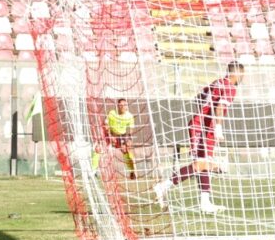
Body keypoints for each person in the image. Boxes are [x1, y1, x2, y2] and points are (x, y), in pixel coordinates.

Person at [154, 62, 245, 213]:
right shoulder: (230, 87)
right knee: (200, 165)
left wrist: (203, 114)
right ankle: (163, 186)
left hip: (202, 126)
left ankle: (205, 202)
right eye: (242, 75)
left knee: (204, 164)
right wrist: (218, 127)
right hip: (204, 128)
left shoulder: (217, 82)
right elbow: (220, 107)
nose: (242, 78)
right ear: (237, 74)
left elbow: (198, 98)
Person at [93, 98, 136, 179]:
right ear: (118, 106)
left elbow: (131, 128)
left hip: (121, 136)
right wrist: (110, 135)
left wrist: (129, 139)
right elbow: (105, 125)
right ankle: (93, 171)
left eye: (125, 105)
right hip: (109, 134)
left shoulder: (129, 116)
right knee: (98, 148)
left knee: (125, 150)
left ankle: (132, 171)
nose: (124, 107)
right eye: (121, 105)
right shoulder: (112, 113)